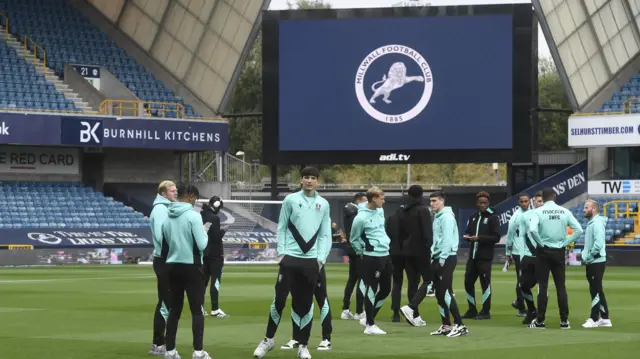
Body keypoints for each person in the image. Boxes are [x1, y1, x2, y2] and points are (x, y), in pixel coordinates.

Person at [253, 166, 331, 359]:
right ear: (301, 180)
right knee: (279, 300)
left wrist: (320, 258)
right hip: (290, 259)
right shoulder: (290, 200)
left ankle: (303, 345)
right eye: (306, 177)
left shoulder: (323, 204)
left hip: (311, 261)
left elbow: (325, 234)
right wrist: (282, 254)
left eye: (313, 178)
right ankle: (268, 340)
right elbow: (282, 227)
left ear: (318, 181)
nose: (309, 181)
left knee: (304, 304)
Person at [162, 183, 211, 359]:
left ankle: (170, 351)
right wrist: (205, 232)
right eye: (195, 197)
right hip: (192, 266)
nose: (195, 201)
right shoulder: (193, 216)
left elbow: (165, 242)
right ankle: (198, 352)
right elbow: (202, 244)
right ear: (190, 196)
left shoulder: (167, 216)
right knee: (197, 310)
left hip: (173, 267)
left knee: (174, 310)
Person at [528, 188, 583, 329]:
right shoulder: (564, 211)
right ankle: (564, 321)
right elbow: (579, 230)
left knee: (543, 287)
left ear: (543, 198)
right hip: (558, 251)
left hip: (543, 251)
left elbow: (533, 230)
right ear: (555, 197)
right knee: (561, 287)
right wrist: (564, 243)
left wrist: (541, 244)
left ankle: (540, 320)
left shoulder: (537, 212)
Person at [419, 191, 468, 337]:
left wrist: (442, 259)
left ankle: (460, 324)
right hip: (438, 257)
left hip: (446, 258)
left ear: (442, 201)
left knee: (445, 292)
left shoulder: (446, 217)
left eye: (434, 201)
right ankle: (446, 325)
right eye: (430, 201)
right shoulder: (437, 217)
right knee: (439, 293)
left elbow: (447, 240)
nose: (431, 204)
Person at [349, 186, 393, 335]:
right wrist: (362, 253)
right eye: (382, 198)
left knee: (386, 289)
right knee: (372, 288)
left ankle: (369, 316)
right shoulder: (360, 218)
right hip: (371, 256)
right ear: (374, 199)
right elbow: (353, 239)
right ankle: (370, 324)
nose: (384, 201)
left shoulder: (380, 210)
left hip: (385, 254)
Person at [397, 185, 433, 327]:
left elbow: (399, 232)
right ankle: (411, 307)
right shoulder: (423, 210)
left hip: (406, 250)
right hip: (421, 250)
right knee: (429, 280)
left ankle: (414, 316)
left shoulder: (402, 211)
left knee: (413, 282)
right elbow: (427, 233)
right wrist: (429, 247)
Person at [148, 180, 177, 356]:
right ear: (164, 193)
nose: (175, 193)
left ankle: (160, 342)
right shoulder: (160, 210)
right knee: (166, 302)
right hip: (164, 259)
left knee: (167, 301)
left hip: (166, 258)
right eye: (172, 191)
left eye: (176, 190)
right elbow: (161, 236)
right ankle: (159, 344)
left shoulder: (166, 208)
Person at [462, 191, 500, 320]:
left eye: (485, 203)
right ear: (477, 203)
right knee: (467, 282)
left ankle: (485, 311)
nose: (482, 205)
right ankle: (472, 309)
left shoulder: (493, 217)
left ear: (488, 203)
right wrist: (466, 237)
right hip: (472, 257)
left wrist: (479, 238)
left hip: (485, 257)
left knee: (485, 283)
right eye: (480, 203)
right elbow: (467, 232)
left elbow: (496, 237)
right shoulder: (473, 217)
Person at [280, 263, 333, 351]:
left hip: (316, 265)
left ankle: (326, 339)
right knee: (296, 301)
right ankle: (296, 338)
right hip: (298, 267)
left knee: (322, 301)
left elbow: (324, 249)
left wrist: (319, 263)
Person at [581, 200, 612, 328]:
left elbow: (598, 244)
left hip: (596, 261)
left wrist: (589, 256)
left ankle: (594, 319)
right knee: (597, 289)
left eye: (586, 207)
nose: (584, 209)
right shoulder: (592, 223)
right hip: (594, 261)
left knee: (595, 289)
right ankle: (605, 318)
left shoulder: (597, 223)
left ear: (594, 209)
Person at [518, 191, 544, 325]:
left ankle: (541, 315)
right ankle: (531, 309)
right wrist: (522, 255)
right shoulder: (525, 217)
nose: (540, 203)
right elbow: (522, 236)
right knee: (523, 285)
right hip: (528, 257)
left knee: (542, 287)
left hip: (543, 257)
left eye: (542, 201)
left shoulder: (548, 217)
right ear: (533, 201)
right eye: (538, 201)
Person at [340, 192, 367, 320]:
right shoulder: (356, 214)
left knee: (352, 279)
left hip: (351, 248)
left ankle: (345, 309)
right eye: (365, 201)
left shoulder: (348, 212)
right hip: (358, 249)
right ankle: (359, 311)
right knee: (362, 279)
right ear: (359, 201)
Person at [201, 196, 228, 318]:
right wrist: (223, 231)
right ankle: (215, 309)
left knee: (203, 282)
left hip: (204, 253)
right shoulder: (214, 218)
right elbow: (216, 237)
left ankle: (200, 307)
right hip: (215, 255)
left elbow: (205, 232)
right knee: (215, 281)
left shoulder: (203, 216)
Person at [506, 193, 529, 317]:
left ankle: (519, 301)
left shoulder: (533, 213)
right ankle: (521, 307)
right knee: (521, 279)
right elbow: (509, 236)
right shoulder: (515, 217)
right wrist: (508, 253)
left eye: (526, 201)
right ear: (518, 203)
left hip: (529, 252)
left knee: (529, 278)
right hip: (518, 252)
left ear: (529, 201)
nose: (524, 203)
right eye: (522, 201)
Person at [386, 202, 404, 322]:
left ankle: (396, 312)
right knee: (414, 282)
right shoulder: (412, 216)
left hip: (394, 252)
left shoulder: (391, 217)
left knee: (397, 283)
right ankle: (413, 312)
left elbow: (386, 234)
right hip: (409, 252)